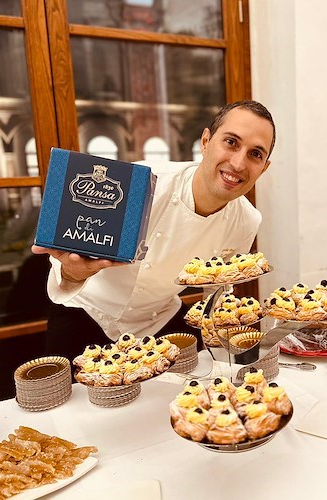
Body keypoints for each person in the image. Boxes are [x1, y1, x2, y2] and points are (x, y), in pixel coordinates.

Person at [31, 100, 276, 362]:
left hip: (158, 322)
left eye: (255, 154)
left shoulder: (247, 221)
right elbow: (74, 247)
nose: (238, 163)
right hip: (85, 313)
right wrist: (73, 272)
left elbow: (217, 294)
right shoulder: (141, 185)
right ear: (205, 141)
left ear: (264, 168)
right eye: (231, 142)